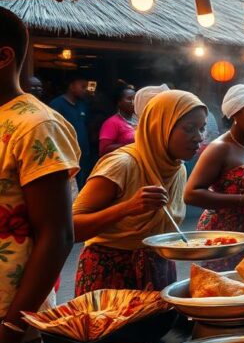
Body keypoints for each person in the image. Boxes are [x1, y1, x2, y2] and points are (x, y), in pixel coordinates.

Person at [0, 9, 77, 343]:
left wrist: (12, 329)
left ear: (4, 56)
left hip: (6, 314)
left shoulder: (35, 125)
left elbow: (58, 234)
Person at [73, 90, 206, 294]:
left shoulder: (177, 167)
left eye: (202, 128)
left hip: (159, 269)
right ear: (160, 127)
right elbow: (72, 229)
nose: (198, 137)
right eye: (189, 129)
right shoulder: (122, 164)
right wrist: (128, 207)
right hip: (110, 274)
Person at [185, 85, 244, 269]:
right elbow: (191, 194)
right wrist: (242, 200)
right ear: (235, 113)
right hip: (226, 236)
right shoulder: (219, 148)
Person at [50, 77, 91, 186]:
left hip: (82, 152)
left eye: (86, 87)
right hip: (66, 153)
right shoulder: (57, 104)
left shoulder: (82, 104)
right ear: (72, 86)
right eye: (82, 87)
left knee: (82, 182)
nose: (85, 90)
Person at [98, 84, 137, 156]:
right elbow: (103, 150)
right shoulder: (112, 122)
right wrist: (131, 145)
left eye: (135, 99)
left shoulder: (140, 119)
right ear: (119, 102)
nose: (133, 102)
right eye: (129, 99)